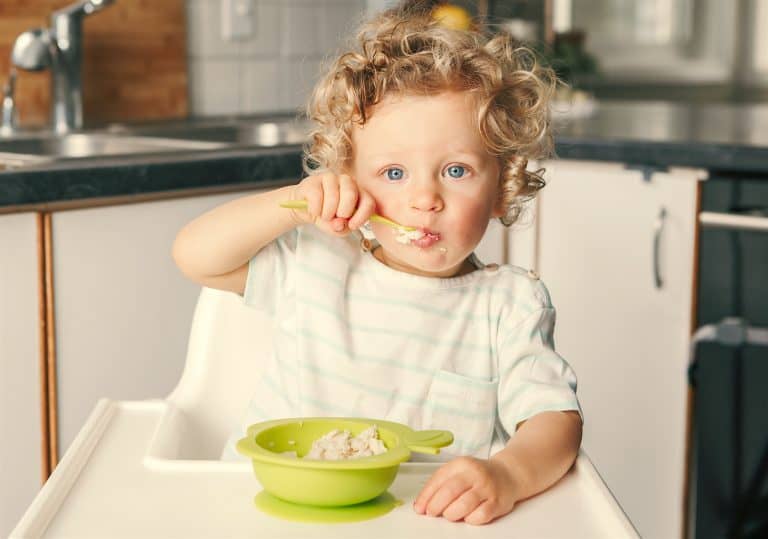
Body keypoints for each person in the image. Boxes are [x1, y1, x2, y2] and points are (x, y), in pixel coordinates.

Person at [172, 1, 582, 525]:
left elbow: (555, 420)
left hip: (425, 522)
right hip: (271, 517)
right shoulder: (317, 263)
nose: (424, 198)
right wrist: (294, 202)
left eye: (456, 170)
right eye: (393, 173)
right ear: (350, 180)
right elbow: (195, 255)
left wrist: (510, 474)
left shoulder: (509, 305)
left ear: (501, 188)